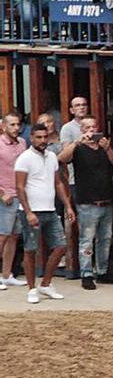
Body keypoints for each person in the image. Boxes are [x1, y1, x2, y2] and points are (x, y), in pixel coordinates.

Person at [15, 123, 74, 304]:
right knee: (31, 249)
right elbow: (20, 187)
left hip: (50, 209)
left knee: (61, 246)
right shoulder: (24, 158)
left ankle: (46, 283)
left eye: (44, 137)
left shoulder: (52, 157)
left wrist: (68, 206)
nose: (42, 140)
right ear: (32, 138)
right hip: (32, 211)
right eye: (38, 137)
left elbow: (58, 183)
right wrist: (28, 212)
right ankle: (31, 288)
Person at [59, 116, 113, 290]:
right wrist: (77, 142)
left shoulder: (103, 147)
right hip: (87, 202)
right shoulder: (78, 147)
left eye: (94, 126)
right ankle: (86, 273)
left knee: (105, 238)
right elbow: (61, 158)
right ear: (82, 130)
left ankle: (103, 271)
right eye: (87, 127)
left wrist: (108, 148)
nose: (91, 130)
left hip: (106, 200)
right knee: (87, 239)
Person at [0, 113, 26, 290]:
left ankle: (6, 274)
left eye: (18, 124)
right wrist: (1, 193)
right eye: (12, 125)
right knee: (2, 235)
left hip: (20, 195)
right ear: (3, 126)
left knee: (14, 236)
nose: (16, 128)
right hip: (5, 196)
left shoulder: (22, 143)